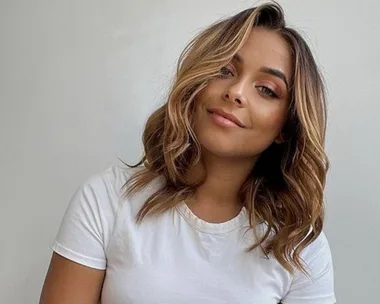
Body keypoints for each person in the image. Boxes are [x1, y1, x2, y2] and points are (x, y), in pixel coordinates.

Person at [40, 2, 336, 303]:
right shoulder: (107, 200)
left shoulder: (299, 246)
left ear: (286, 126)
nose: (236, 91)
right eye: (225, 70)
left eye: (267, 90)